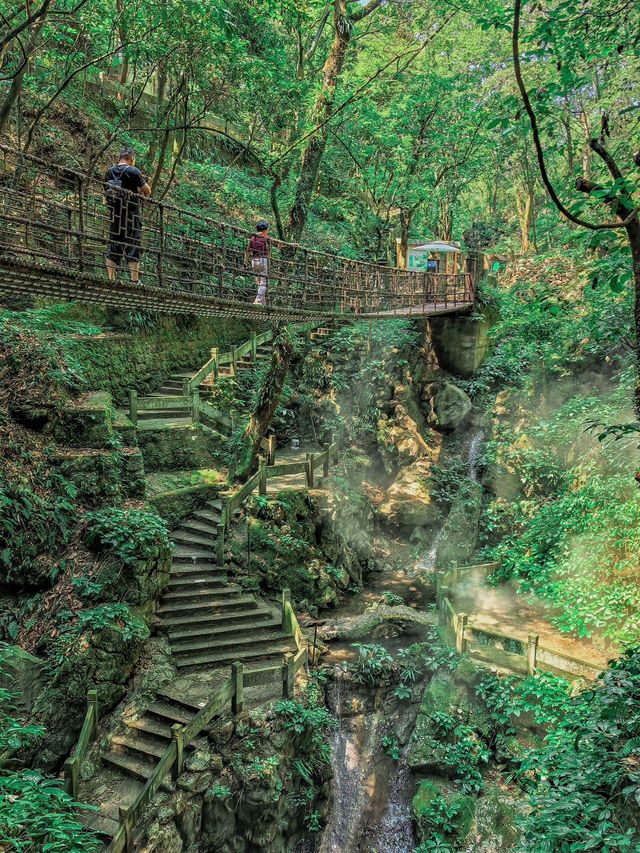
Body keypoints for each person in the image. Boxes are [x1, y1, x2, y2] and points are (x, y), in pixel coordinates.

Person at [104, 147, 151, 284]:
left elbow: (106, 195)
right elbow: (147, 191)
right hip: (131, 214)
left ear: (120, 158)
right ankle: (134, 281)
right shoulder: (133, 171)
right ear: (131, 159)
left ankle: (111, 279)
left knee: (114, 243)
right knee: (134, 243)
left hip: (115, 214)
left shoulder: (108, 173)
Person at [244, 219, 270, 305]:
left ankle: (263, 303)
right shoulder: (266, 238)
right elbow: (279, 244)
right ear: (265, 229)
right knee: (264, 282)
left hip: (254, 261)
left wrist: (245, 261)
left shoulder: (253, 237)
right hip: (263, 260)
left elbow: (247, 251)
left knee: (259, 282)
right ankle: (258, 301)